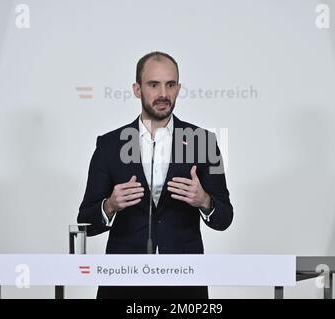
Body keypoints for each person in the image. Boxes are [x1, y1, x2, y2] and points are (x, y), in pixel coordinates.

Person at [78, 51, 233, 299]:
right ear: (137, 89)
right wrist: (110, 205)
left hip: (185, 285)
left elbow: (225, 218)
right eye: (153, 85)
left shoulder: (203, 142)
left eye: (170, 85)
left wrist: (204, 201)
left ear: (178, 88)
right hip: (123, 282)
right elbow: (85, 221)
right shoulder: (109, 145)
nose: (163, 94)